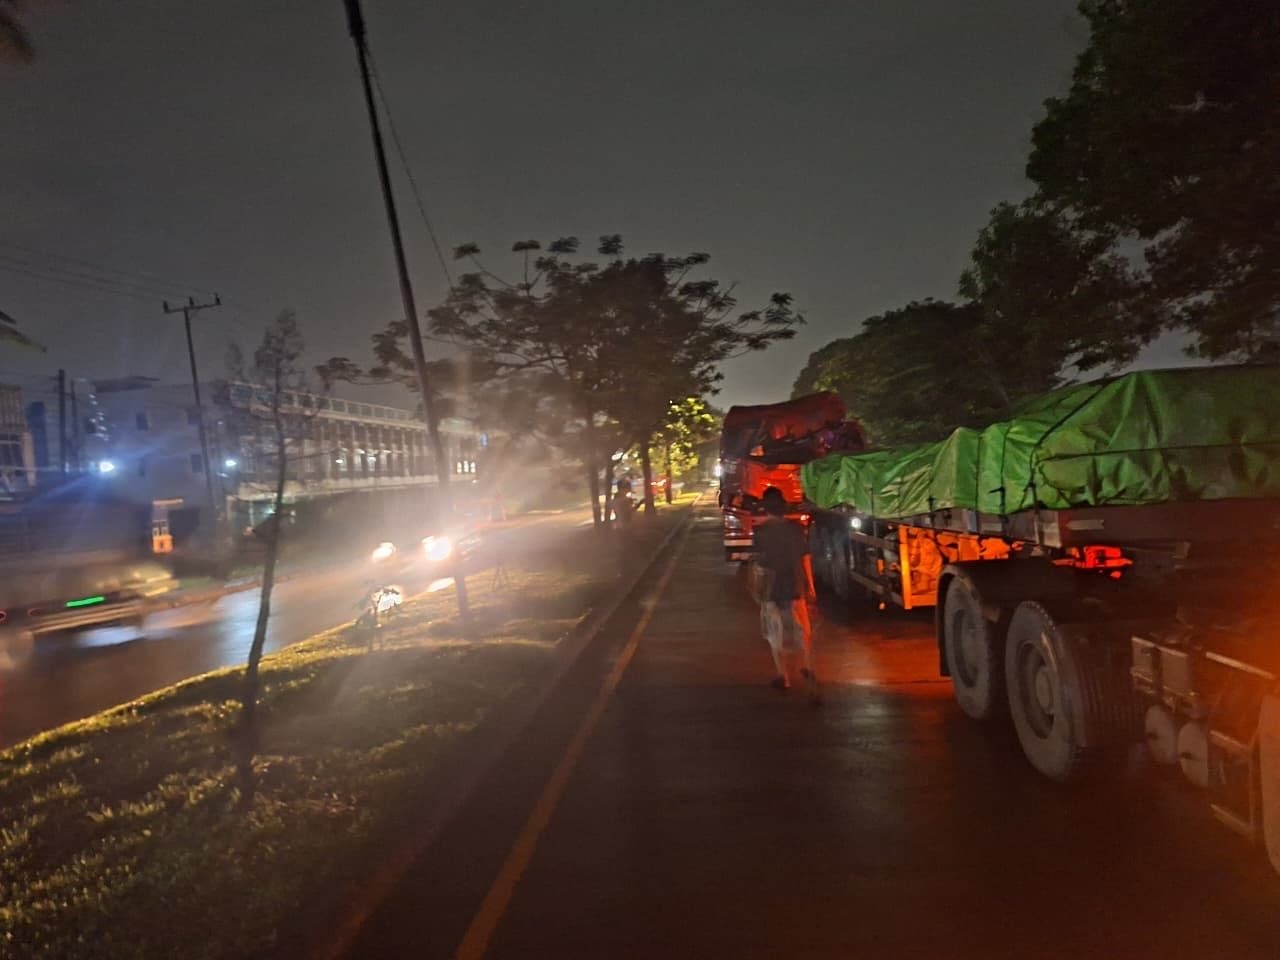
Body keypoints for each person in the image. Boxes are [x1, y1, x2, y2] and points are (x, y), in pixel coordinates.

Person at [753, 486, 818, 699]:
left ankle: (784, 677)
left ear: (766, 508)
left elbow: (760, 564)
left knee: (775, 633)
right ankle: (807, 666)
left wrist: (756, 587)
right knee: (801, 631)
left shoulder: (761, 532)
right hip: (795, 586)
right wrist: (811, 587)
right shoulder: (796, 529)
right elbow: (805, 558)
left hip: (772, 589)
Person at [610, 478, 637, 575]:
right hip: (625, 527)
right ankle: (626, 569)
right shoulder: (624, 501)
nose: (628, 491)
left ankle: (623, 569)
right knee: (626, 548)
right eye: (627, 488)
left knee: (623, 548)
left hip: (619, 527)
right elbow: (628, 514)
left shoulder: (616, 500)